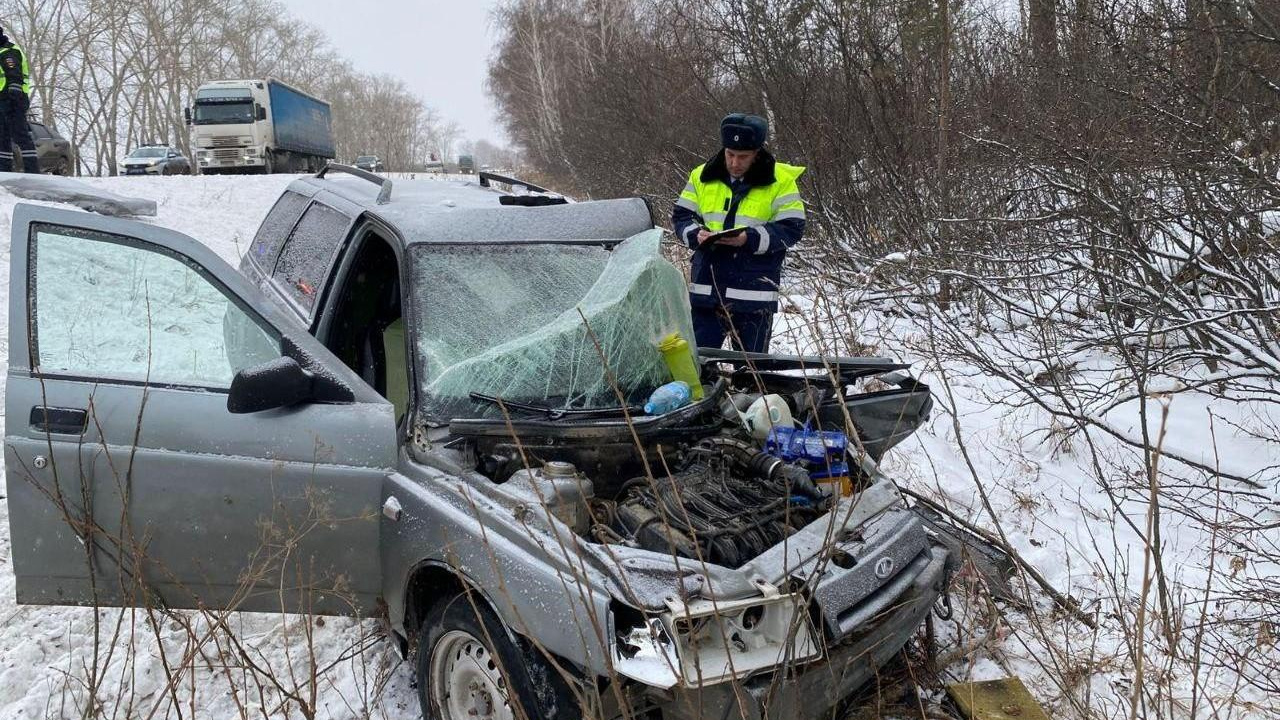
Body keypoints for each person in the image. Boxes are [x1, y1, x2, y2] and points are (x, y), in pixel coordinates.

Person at [672, 113, 806, 353]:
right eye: (730, 154)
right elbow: (681, 217)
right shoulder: (701, 176)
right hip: (707, 291)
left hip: (754, 296)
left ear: (757, 153)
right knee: (700, 367)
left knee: (752, 374)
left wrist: (748, 239)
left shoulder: (781, 181)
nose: (735, 163)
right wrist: (696, 235)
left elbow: (792, 228)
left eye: (743, 157)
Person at [0, 25, 38, 173]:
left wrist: (12, 99)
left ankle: (32, 172)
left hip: (13, 100)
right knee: (2, 139)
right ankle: (3, 172)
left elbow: (14, 76)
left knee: (20, 135)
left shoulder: (9, 51)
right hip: (2, 101)